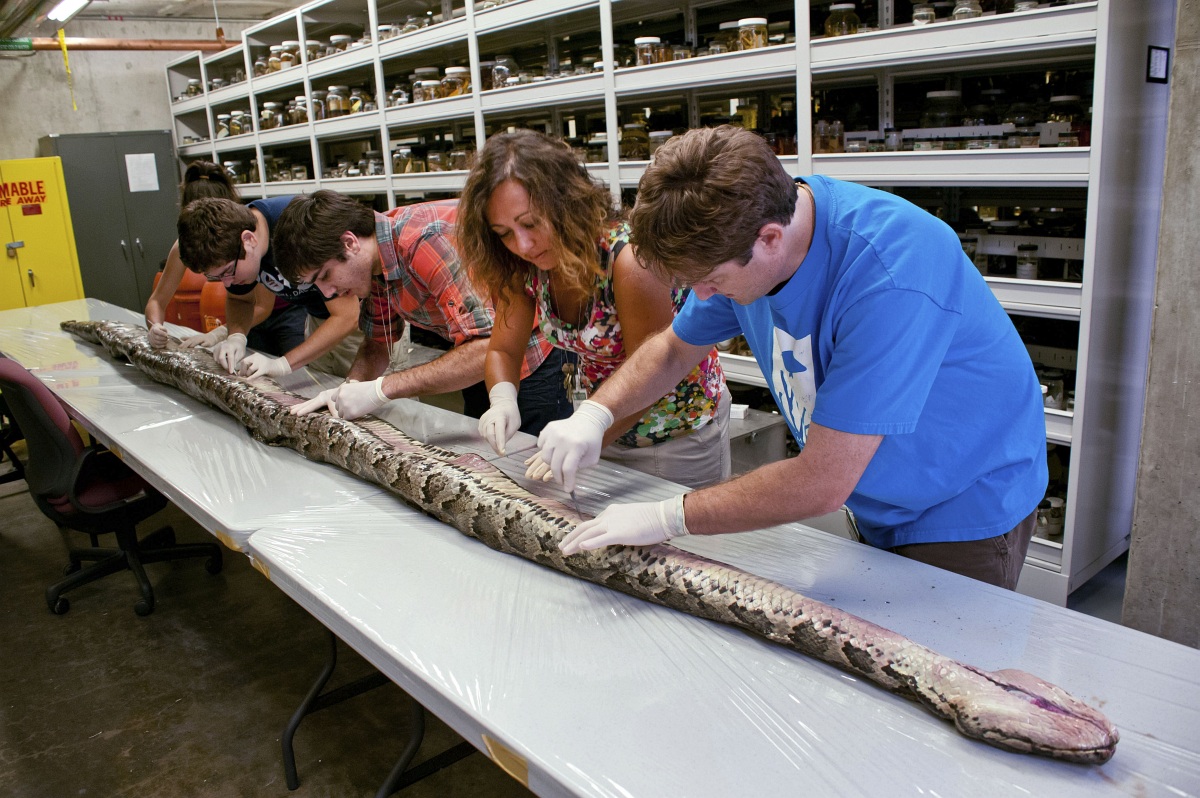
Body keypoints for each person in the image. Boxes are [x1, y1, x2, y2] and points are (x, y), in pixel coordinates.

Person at [544, 125, 1047, 590]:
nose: (702, 294)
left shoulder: (893, 272)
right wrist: (596, 413)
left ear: (769, 239)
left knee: (929, 668)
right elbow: (676, 347)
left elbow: (822, 481)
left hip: (960, 503)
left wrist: (668, 516)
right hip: (875, 493)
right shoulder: (741, 235)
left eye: (711, 281)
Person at [456, 129, 730, 489]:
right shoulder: (521, 265)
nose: (522, 244)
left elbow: (655, 373)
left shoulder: (628, 261)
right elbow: (505, 349)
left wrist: (590, 431)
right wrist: (503, 397)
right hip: (602, 423)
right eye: (504, 232)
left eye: (530, 223)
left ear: (565, 201)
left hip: (673, 431)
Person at [272, 190, 573, 433]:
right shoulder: (373, 264)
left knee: (535, 471)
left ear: (349, 243)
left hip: (534, 359)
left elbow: (485, 347)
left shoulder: (423, 241)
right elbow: (378, 342)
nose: (327, 293)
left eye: (325, 275)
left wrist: (381, 389)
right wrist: (348, 390)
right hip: (479, 365)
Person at [176, 196, 361, 379]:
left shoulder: (296, 230)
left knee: (360, 393)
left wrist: (282, 364)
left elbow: (347, 316)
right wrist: (236, 336)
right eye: (217, 277)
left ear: (248, 239)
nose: (227, 283)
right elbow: (239, 299)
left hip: (362, 318)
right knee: (323, 387)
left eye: (227, 272)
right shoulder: (232, 240)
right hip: (318, 318)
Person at [143, 162, 309, 358]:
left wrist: (220, 334)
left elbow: (263, 306)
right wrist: (155, 327)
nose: (225, 281)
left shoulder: (250, 240)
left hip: (284, 310)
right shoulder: (190, 246)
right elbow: (157, 301)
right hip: (241, 312)